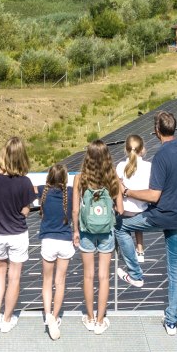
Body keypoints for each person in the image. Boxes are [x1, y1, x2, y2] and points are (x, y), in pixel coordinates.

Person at [114, 110, 177, 336]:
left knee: (120, 227)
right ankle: (171, 322)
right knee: (176, 270)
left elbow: (153, 196)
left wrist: (127, 191)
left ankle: (135, 273)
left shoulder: (161, 156)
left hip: (159, 216)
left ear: (157, 131)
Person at [0, 136, 37, 332]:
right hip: (18, 234)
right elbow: (25, 210)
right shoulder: (24, 182)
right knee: (15, 277)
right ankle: (7, 319)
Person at [72, 139, 123, 335]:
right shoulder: (113, 179)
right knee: (103, 276)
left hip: (86, 231)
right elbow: (120, 208)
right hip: (106, 232)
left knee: (88, 275)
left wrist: (75, 231)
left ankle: (90, 317)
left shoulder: (80, 178)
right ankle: (101, 321)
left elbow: (76, 209)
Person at [37, 163, 73, 341]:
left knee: (47, 282)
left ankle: (47, 314)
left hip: (48, 241)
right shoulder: (71, 192)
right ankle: (56, 317)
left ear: (49, 177)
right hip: (65, 241)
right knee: (60, 282)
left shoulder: (42, 190)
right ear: (65, 179)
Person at [115, 135, 152, 262]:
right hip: (142, 209)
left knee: (122, 222)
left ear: (126, 149)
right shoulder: (148, 166)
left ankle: (128, 251)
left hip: (125, 210)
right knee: (137, 216)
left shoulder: (120, 166)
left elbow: (117, 187)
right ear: (142, 149)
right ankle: (140, 249)